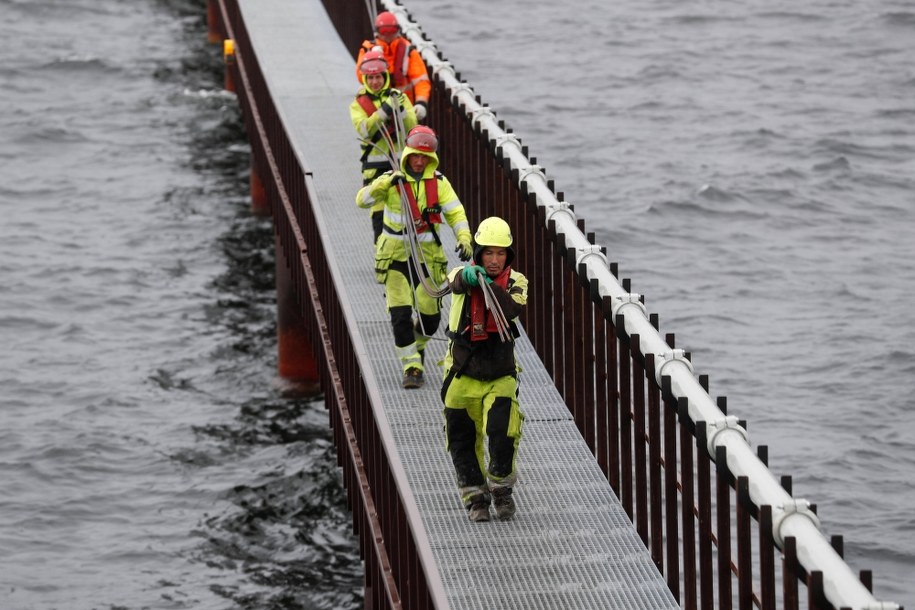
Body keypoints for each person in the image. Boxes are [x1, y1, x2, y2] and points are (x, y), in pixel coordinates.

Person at [355, 125, 473, 389]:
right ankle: (412, 367)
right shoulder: (391, 180)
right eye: (416, 156)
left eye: (425, 157)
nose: (419, 162)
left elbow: (456, 213)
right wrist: (384, 183)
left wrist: (464, 238)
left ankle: (416, 346)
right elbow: (362, 201)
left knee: (431, 319)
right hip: (395, 258)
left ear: (431, 158)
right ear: (408, 154)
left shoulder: (439, 184)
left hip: (428, 260)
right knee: (400, 316)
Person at [440, 217, 528, 522]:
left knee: (502, 431)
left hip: (500, 373)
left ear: (508, 255)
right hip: (462, 371)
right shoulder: (461, 273)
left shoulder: (517, 282)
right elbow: (455, 282)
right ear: (478, 253)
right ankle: (475, 497)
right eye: (488, 253)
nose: (494, 260)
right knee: (461, 436)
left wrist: (488, 284)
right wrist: (469, 275)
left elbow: (511, 308)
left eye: (500, 253)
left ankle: (501, 489)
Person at [350, 49, 417, 245]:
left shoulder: (399, 97)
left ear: (385, 76)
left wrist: (400, 109)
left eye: (378, 77)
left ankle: (408, 252)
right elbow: (364, 130)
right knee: (379, 216)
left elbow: (411, 127)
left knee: (406, 212)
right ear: (365, 79)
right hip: (375, 169)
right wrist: (385, 110)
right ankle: (381, 255)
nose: (374, 82)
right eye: (370, 78)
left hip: (401, 164)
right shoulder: (358, 104)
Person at [355, 11, 431, 122]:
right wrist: (372, 59)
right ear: (377, 32)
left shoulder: (408, 51)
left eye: (392, 31)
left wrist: (421, 103)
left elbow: (421, 81)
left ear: (397, 30)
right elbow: (360, 77)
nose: (388, 35)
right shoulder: (367, 50)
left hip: (403, 108)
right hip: (375, 108)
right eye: (384, 31)